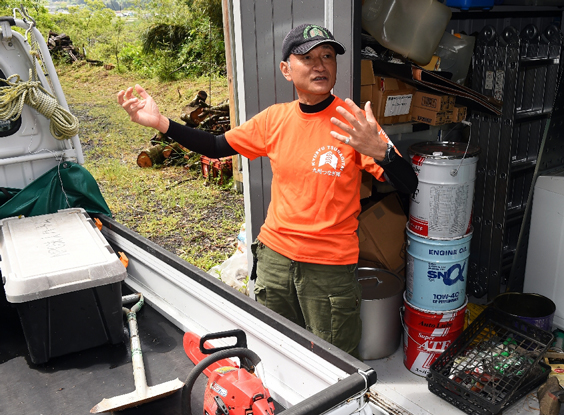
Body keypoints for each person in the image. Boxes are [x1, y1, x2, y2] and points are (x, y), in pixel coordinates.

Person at [117, 23, 418, 358]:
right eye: (308, 57)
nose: (320, 65)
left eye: (328, 56)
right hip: (275, 260)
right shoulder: (275, 119)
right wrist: (162, 123)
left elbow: (410, 184)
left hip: (329, 269)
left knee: (334, 360)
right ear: (286, 70)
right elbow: (218, 145)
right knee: (275, 349)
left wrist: (383, 153)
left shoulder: (354, 122)